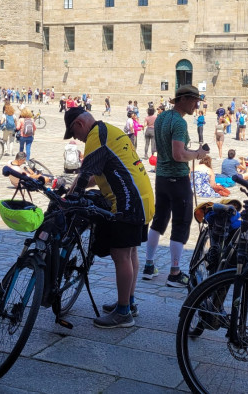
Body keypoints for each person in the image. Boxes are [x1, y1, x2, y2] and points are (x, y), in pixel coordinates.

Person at [63, 106, 154, 328]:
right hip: (143, 199)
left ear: (79, 124)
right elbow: (98, 174)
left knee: (120, 254)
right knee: (130, 252)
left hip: (128, 203)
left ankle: (123, 313)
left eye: (75, 135)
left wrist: (68, 201)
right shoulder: (108, 130)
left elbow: (85, 177)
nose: (78, 139)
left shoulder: (96, 137)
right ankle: (128, 303)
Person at [145, 85, 209, 288]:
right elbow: (178, 155)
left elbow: (172, 149)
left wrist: (192, 151)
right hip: (177, 179)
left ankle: (148, 265)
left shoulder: (162, 117)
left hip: (162, 177)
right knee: (181, 223)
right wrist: (198, 154)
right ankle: (174, 272)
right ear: (183, 100)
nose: (196, 105)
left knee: (159, 219)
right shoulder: (179, 123)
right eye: (194, 101)